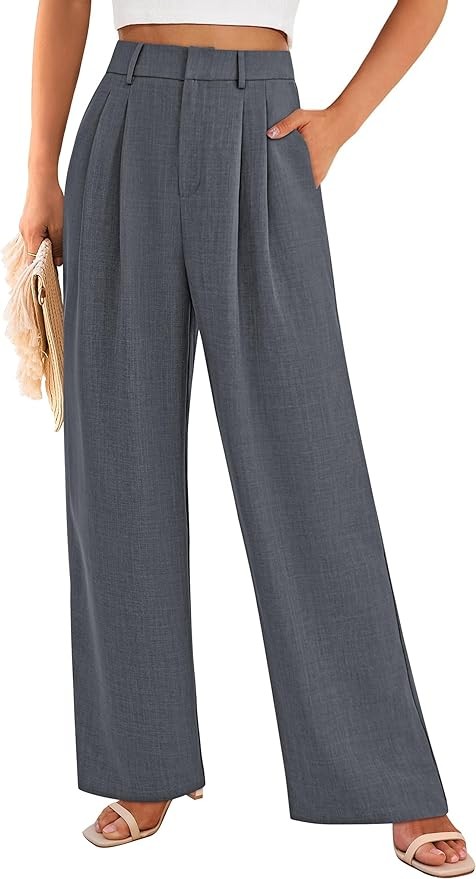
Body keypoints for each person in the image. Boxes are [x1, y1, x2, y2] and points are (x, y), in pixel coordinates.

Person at [19, 0, 472, 873]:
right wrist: (42, 172)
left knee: (312, 464)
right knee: (118, 463)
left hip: (261, 123)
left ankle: (393, 778)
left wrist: (342, 120)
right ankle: (143, 763)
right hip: (126, 116)